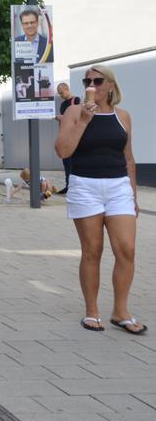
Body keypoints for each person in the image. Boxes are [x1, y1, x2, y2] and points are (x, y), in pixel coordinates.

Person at [55, 65, 145, 334]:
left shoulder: (123, 116)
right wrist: (83, 120)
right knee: (93, 251)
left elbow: (128, 157)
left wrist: (134, 194)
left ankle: (121, 312)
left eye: (97, 80)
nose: (91, 85)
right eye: (87, 81)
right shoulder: (73, 110)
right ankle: (91, 311)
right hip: (86, 186)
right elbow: (62, 150)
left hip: (118, 187)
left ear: (111, 86)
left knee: (126, 250)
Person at [55, 82, 80, 194]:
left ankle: (76, 187)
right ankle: (68, 185)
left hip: (74, 136)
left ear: (67, 89)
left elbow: (78, 117)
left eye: (61, 93)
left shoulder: (77, 101)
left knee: (74, 162)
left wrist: (63, 118)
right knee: (66, 162)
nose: (60, 96)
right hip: (65, 135)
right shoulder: (63, 104)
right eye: (59, 94)